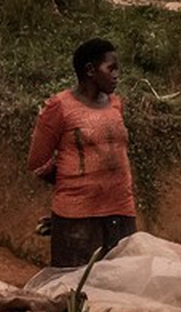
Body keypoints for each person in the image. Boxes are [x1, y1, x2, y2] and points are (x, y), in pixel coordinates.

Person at [27, 37, 136, 268]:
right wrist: (72, 181)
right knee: (75, 291)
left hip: (121, 211)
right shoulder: (60, 107)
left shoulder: (116, 104)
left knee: (120, 287)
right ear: (89, 70)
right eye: (111, 68)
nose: (117, 74)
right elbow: (37, 161)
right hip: (77, 218)